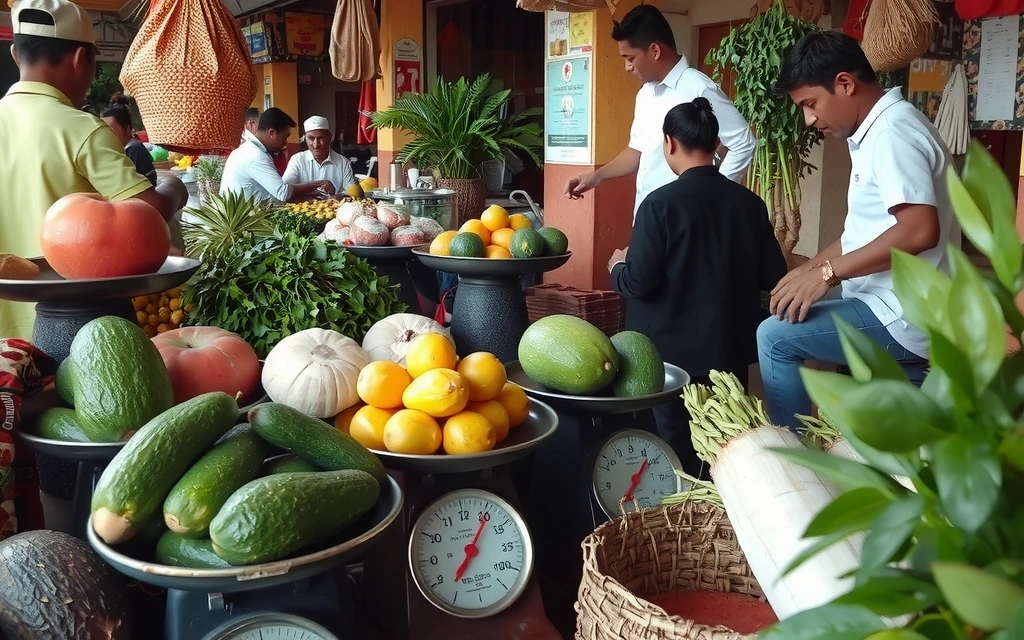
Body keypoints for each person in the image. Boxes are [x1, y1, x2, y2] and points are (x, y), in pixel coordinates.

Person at [757, 31, 961, 432]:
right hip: (904, 309)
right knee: (910, 443)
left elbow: (920, 230)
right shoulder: (880, 129)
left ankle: (794, 465)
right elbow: (863, 234)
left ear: (845, 84)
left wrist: (828, 275)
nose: (809, 119)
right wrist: (810, 268)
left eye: (810, 104)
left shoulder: (891, 134)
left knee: (775, 338)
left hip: (900, 315)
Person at [609, 98, 786, 475]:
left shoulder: (659, 205)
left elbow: (637, 281)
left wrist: (617, 265)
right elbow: (774, 276)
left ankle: (684, 522)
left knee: (675, 452)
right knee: (726, 445)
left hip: (667, 360)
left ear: (670, 142)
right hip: (728, 352)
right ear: (714, 143)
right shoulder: (749, 204)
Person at [0, 0, 188, 342]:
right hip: (79, 331)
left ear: (16, 54)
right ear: (82, 59)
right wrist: (174, 187)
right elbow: (149, 212)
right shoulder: (80, 128)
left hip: (6, 333)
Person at [564, 4, 756, 219]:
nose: (627, 67)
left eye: (630, 58)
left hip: (687, 219)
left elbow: (743, 142)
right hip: (648, 215)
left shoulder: (698, 87)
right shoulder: (645, 94)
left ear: (655, 51)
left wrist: (711, 196)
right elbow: (637, 150)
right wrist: (596, 177)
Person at [220, 107, 334, 203]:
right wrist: (320, 184)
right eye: (285, 137)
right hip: (243, 221)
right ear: (272, 133)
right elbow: (282, 192)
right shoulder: (255, 155)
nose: (285, 143)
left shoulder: (251, 149)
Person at [282, 115, 358, 195]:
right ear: (305, 139)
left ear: (329, 137)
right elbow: (285, 189)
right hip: (303, 206)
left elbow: (351, 192)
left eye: (320, 138)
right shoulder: (297, 160)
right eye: (311, 138)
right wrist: (316, 186)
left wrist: (334, 198)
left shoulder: (343, 162)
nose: (315, 145)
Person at [101, 96, 157, 185]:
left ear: (127, 129)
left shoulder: (133, 149)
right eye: (104, 130)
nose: (107, 135)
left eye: (112, 130)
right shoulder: (117, 150)